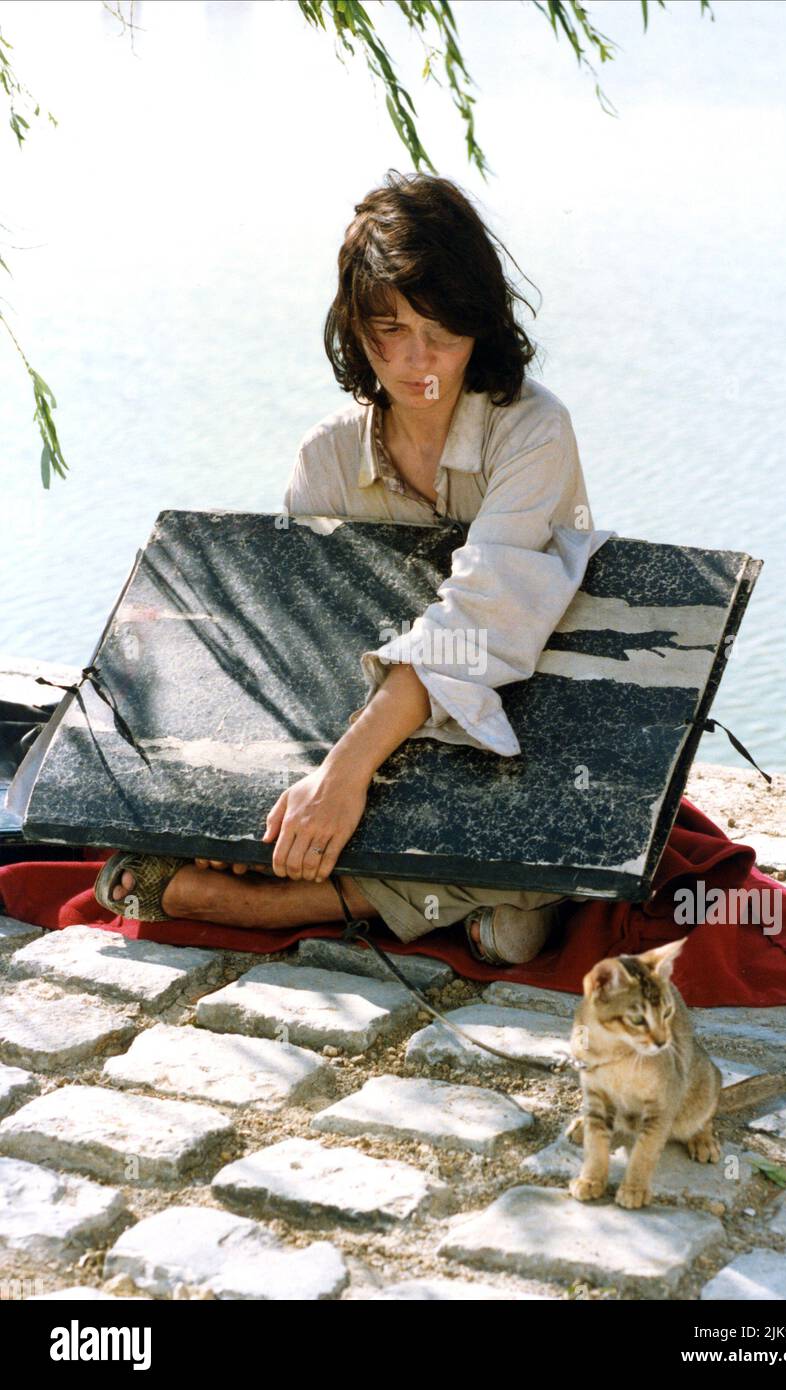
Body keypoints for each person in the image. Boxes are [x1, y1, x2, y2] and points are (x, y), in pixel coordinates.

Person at [96, 170, 612, 965]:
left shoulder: (534, 432)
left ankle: (253, 903)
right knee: (279, 798)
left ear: (480, 323)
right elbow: (301, 646)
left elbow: (480, 622)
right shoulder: (328, 455)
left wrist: (344, 777)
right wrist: (319, 776)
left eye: (440, 330)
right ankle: (435, 903)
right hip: (369, 740)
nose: (417, 359)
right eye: (389, 330)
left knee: (563, 838)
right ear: (355, 328)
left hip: (515, 721)